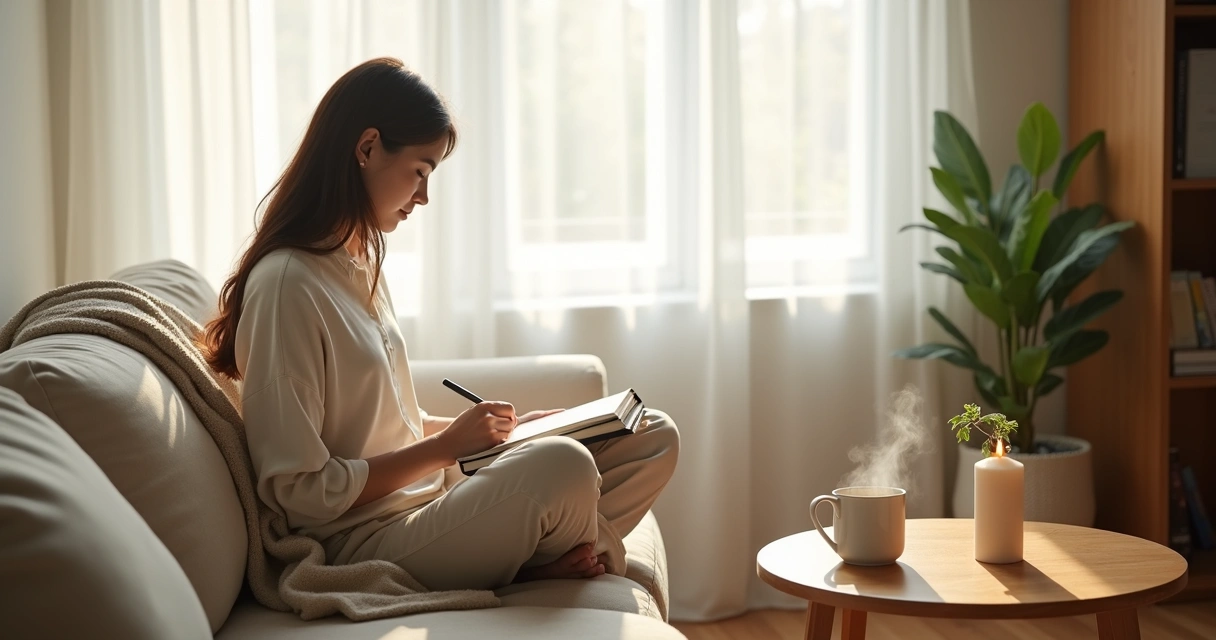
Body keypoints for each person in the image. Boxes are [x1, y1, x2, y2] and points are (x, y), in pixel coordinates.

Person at [199, 57, 679, 591]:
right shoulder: (288, 286)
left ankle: (551, 553)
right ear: (366, 148)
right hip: (362, 536)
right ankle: (548, 563)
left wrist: (504, 435)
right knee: (561, 466)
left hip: (433, 496)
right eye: (420, 172)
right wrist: (449, 447)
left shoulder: (357, 261)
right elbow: (299, 491)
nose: (423, 197)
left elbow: (383, 425)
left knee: (651, 433)